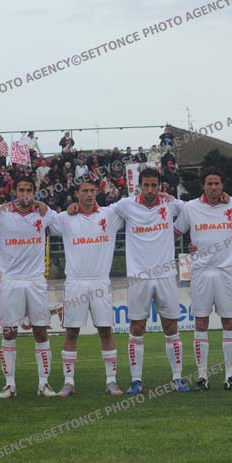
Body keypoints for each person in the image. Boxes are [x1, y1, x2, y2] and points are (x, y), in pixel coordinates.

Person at [83, 168, 188, 394]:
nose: (150, 190)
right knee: (137, 328)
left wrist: (222, 199)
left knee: (171, 327)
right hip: (138, 277)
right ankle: (136, 380)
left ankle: (177, 378)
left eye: (154, 185)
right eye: (146, 185)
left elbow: (196, 211)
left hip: (166, 275)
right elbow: (99, 212)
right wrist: (76, 207)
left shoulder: (170, 204)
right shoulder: (126, 205)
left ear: (160, 186)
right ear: (140, 186)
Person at [173, 168, 232, 391]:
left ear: (222, 185)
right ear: (203, 186)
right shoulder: (191, 207)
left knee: (229, 323)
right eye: (209, 184)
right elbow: (174, 233)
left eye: (217, 183)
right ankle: (202, 377)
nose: (213, 187)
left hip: (226, 272)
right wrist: (186, 246)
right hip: (201, 272)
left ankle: (230, 376)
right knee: (201, 323)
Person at [51, 179, 124, 397]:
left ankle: (111, 381)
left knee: (105, 331)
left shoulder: (110, 215)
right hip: (75, 282)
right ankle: (68, 382)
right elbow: (42, 217)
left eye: (93, 190)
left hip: (100, 281)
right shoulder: (65, 218)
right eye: (85, 191)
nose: (89, 194)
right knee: (71, 332)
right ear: (77, 194)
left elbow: (137, 206)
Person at [0, 176, 56, 398]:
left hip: (36, 280)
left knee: (41, 331)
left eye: (28, 190)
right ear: (15, 192)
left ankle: (44, 383)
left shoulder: (45, 214)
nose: (25, 194)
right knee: (9, 332)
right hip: (11, 280)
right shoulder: (1, 214)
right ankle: (9, 385)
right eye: (21, 190)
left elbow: (68, 221)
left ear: (34, 192)